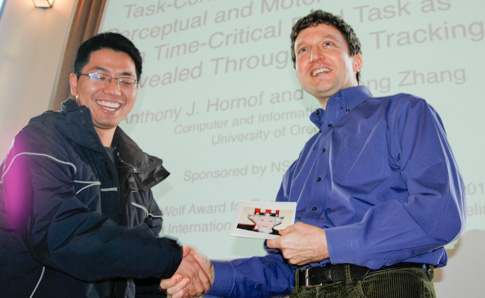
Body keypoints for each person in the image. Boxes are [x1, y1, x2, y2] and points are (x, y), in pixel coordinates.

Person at [162, 9, 466, 297]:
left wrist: (329, 243)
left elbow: (440, 215)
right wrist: (212, 275)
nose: (314, 56)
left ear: (356, 60)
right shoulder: (299, 167)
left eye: (327, 44)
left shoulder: (403, 112)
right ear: (298, 72)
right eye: (302, 52)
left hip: (385, 286)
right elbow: (285, 270)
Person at [0, 32, 210, 297]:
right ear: (75, 83)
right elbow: (60, 234)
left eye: (126, 80)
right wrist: (168, 258)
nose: (114, 90)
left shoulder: (138, 171)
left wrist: (170, 286)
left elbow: (132, 278)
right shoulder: (41, 141)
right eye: (100, 77)